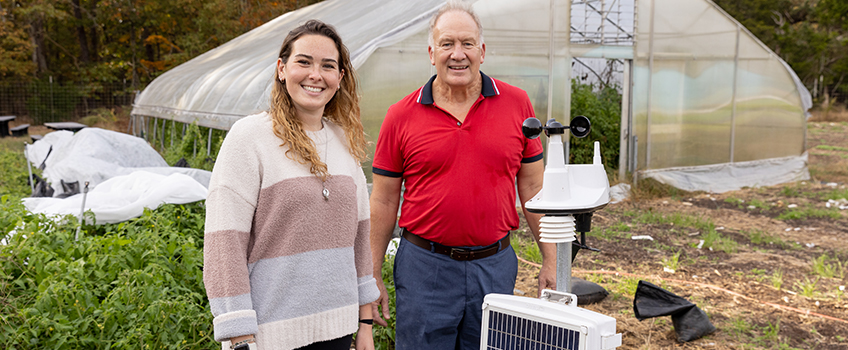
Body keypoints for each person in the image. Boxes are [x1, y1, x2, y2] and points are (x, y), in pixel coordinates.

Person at [369, 2, 556, 349]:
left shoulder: (517, 105)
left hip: (494, 266)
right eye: (447, 44)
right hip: (424, 267)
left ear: (482, 51)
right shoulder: (401, 116)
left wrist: (551, 258)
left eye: (467, 44)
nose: (458, 54)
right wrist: (372, 272)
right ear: (431, 52)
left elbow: (533, 186)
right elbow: (383, 198)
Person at [203, 20, 380, 350]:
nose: (316, 75)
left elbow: (359, 240)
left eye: (328, 66)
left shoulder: (344, 142)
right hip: (270, 337)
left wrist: (364, 323)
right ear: (281, 69)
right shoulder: (249, 138)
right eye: (304, 62)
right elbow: (224, 246)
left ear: (339, 79)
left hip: (338, 332)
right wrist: (241, 338)